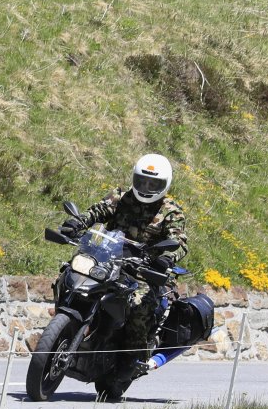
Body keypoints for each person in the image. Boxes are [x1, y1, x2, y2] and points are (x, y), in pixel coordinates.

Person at [76, 153, 188, 375]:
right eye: (142, 181)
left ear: (164, 185)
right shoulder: (121, 196)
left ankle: (132, 360)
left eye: (153, 183)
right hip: (107, 258)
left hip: (142, 270)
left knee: (139, 305)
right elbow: (97, 211)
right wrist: (76, 222)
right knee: (72, 272)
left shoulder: (170, 211)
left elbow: (180, 242)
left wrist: (167, 257)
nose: (146, 187)